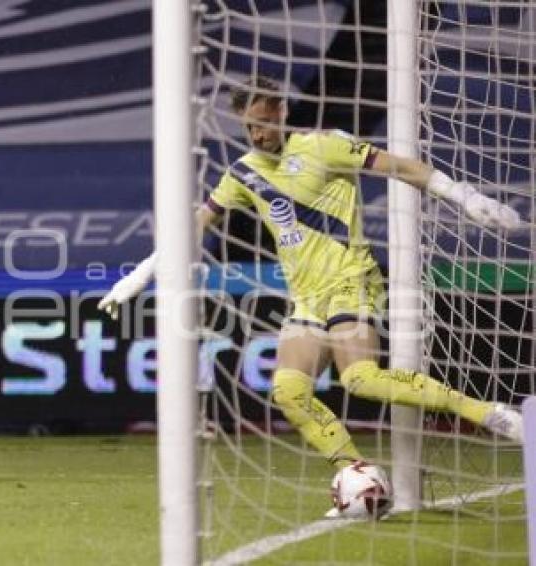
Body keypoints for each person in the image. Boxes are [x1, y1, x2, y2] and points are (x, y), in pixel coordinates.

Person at [99, 76, 523, 495]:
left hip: (351, 281)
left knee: (360, 379)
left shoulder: (324, 147)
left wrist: (467, 198)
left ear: (283, 111)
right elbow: (193, 226)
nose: (258, 134)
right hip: (306, 299)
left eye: (264, 122)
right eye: (249, 126)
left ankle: (487, 413)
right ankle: (358, 477)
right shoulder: (244, 173)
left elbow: (403, 168)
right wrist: (138, 277)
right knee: (289, 391)